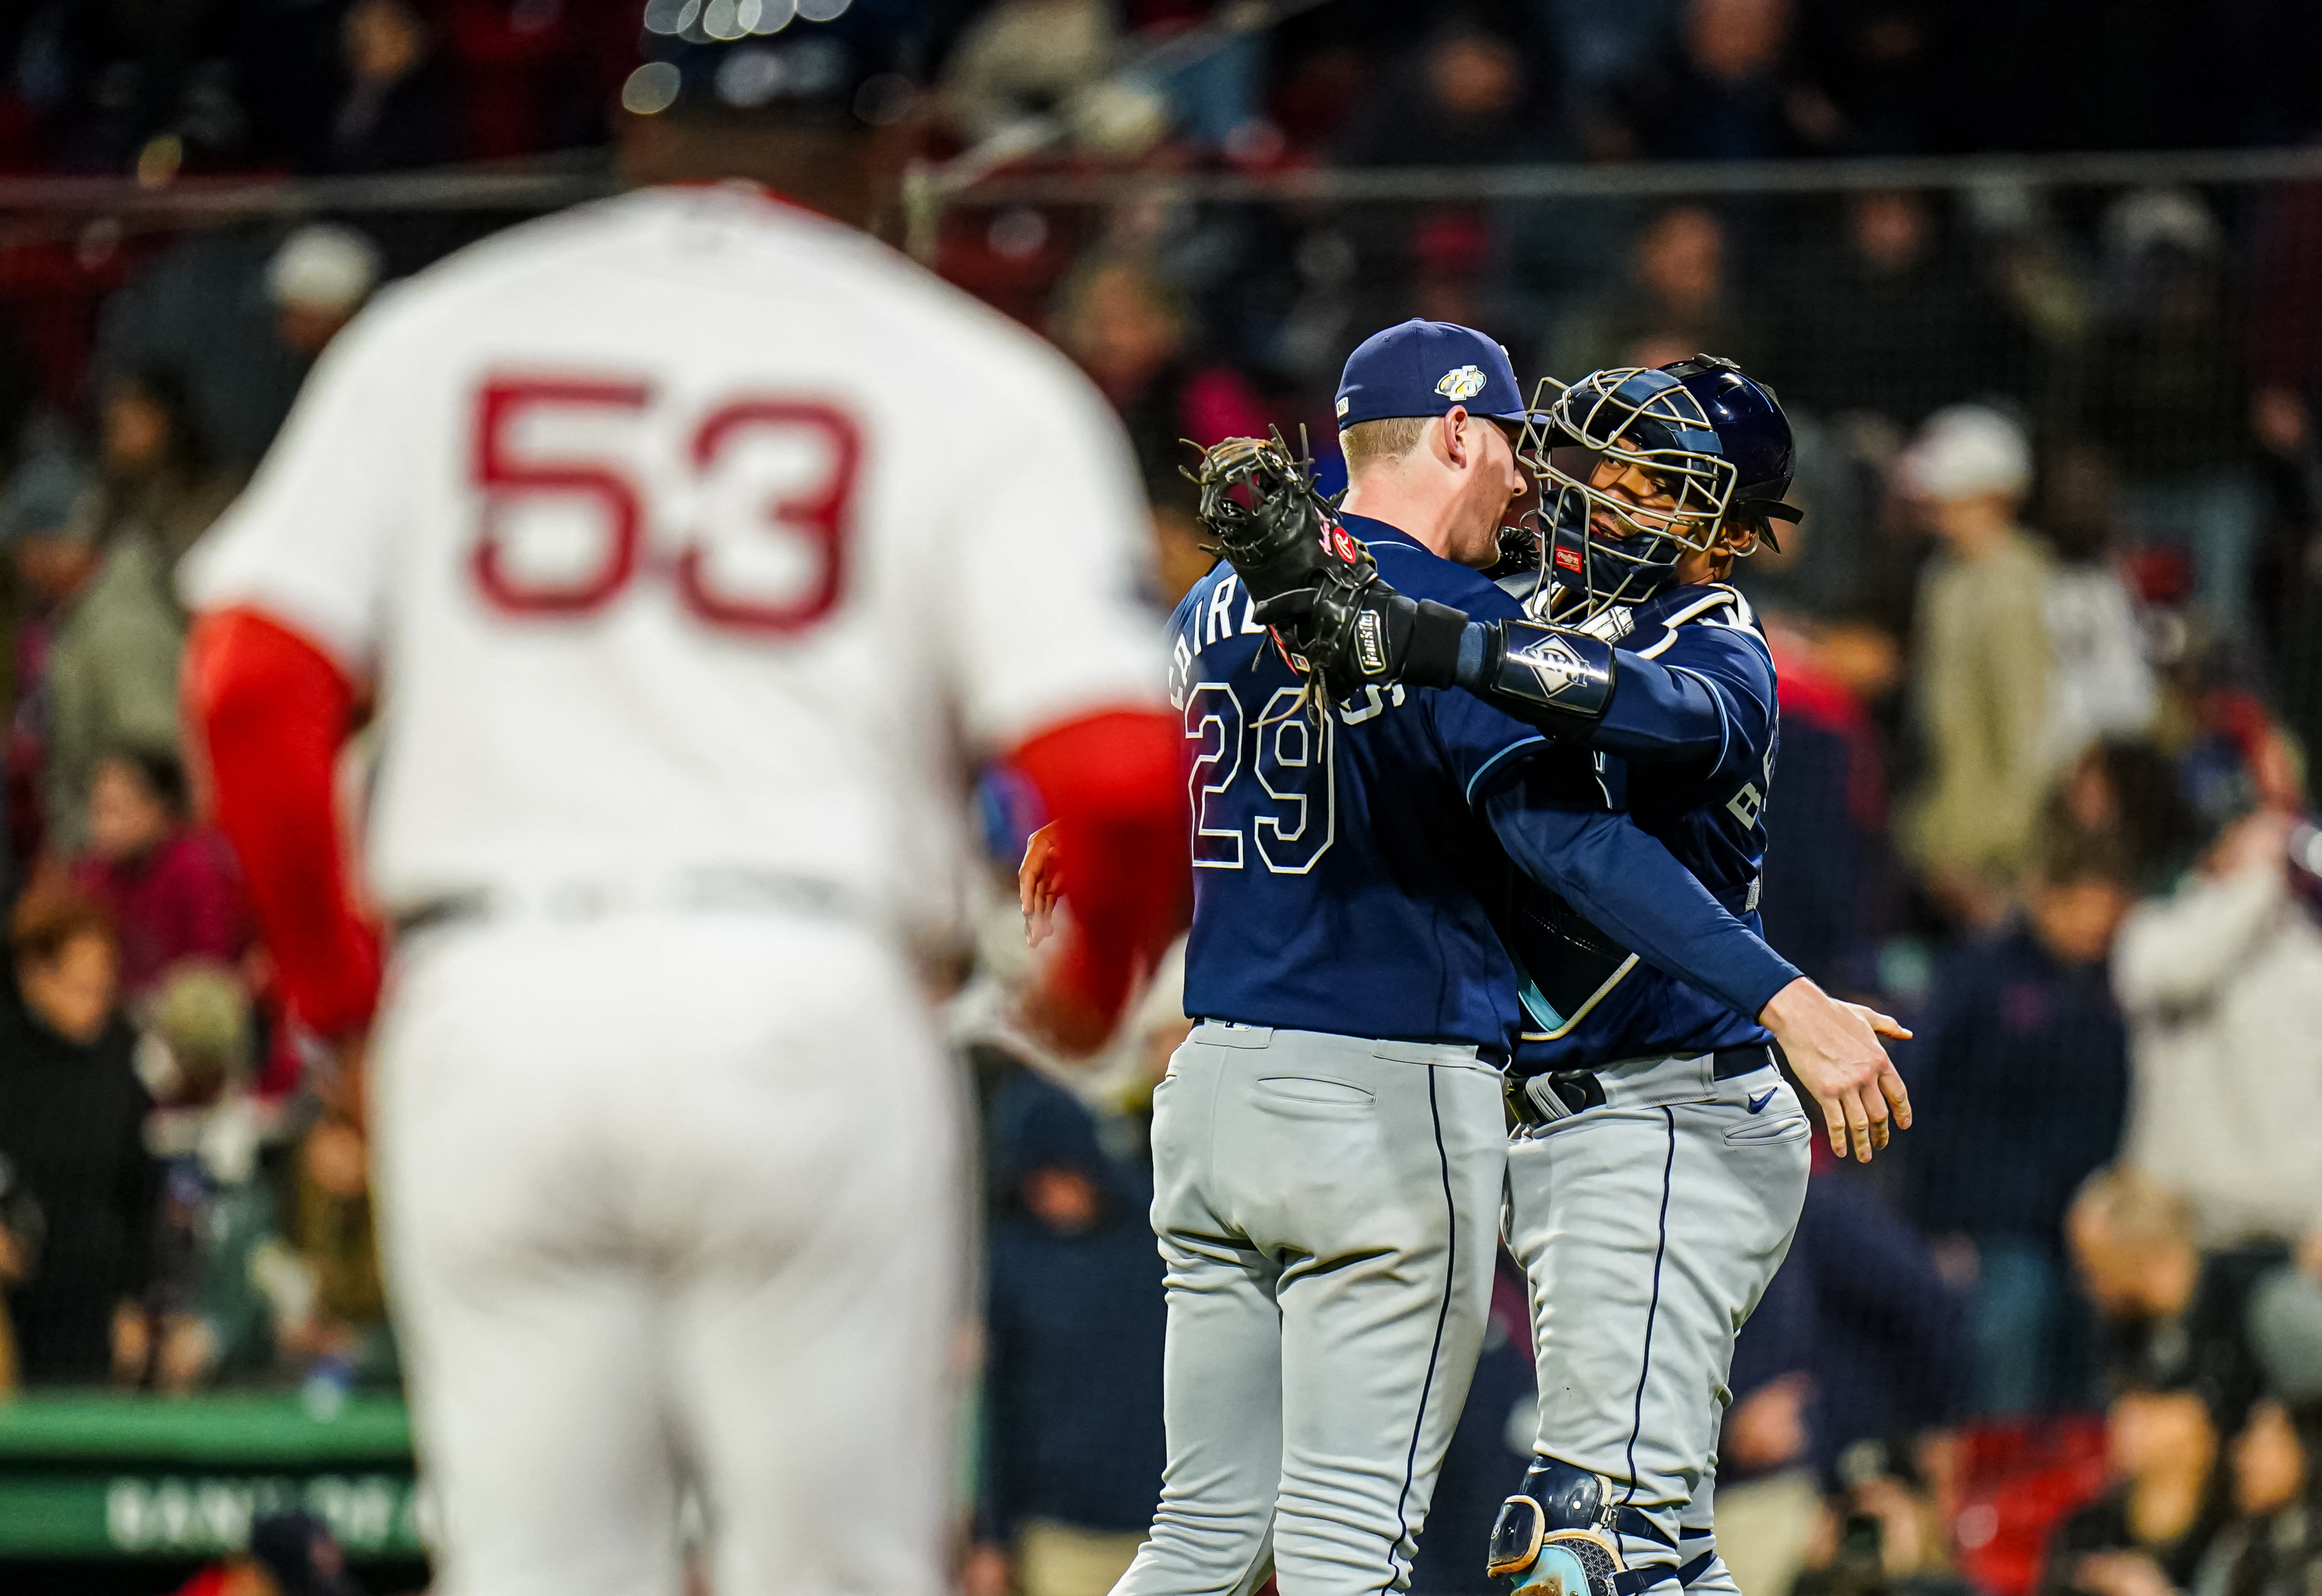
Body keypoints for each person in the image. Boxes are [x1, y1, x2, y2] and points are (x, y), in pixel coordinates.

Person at [178, 10, 1186, 1595]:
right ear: (889, 144)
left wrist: (339, 997)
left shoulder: (447, 329)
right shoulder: (963, 370)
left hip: (489, 996)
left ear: (638, 128)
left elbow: (250, 682)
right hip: (803, 995)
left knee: (531, 1570)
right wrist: (1092, 986)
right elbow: (1122, 774)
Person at [1103, 321, 1901, 1596]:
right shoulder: (1502, 604)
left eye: (1657, 480)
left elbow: (1595, 772)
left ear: (1728, 531)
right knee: (1645, 1558)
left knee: (1576, 1555)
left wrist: (1787, 991)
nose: (1597, 485)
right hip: (1500, 1115)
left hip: (1667, 1113)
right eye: (1611, 458)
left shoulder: (1719, 651)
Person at [971, 1072, 1168, 1596]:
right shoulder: (1011, 1260)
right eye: (1034, 1178)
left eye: (1062, 1171)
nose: (1050, 1192)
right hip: (1058, 1535)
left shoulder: (1159, 1241)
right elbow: (1001, 1404)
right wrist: (992, 1536)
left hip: (1169, 1530)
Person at [1894, 404, 2056, 928]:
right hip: (1949, 836)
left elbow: (2028, 730)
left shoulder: (2014, 583)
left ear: (1994, 498)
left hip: (2000, 853)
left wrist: (2001, 852)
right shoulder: (1945, 577)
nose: (1935, 511)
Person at [0, 891, 159, 1386]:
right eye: (78, 986)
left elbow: (140, 1192)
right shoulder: (8, 1057)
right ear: (33, 975)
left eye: (101, 986)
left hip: (92, 1300)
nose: (94, 1002)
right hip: (14, 1300)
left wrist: (133, 1302)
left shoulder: (122, 1061)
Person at [70, 749, 251, 1001]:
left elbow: (212, 968)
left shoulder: (198, 869)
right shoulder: (95, 874)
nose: (106, 826)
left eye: (118, 811)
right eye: (99, 811)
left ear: (159, 807)